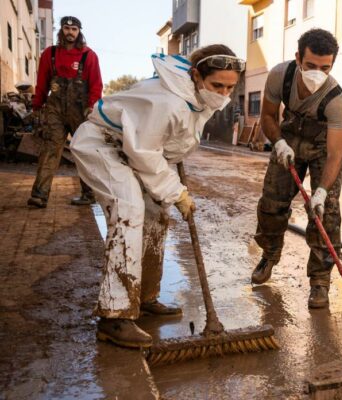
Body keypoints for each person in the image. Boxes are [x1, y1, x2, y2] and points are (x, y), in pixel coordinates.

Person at [70, 45, 244, 348]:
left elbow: (167, 145)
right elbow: (145, 153)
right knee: (129, 209)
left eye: (230, 87)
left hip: (132, 149)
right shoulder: (170, 100)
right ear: (196, 75)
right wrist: (177, 192)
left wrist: (171, 188)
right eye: (217, 85)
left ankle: (145, 297)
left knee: (156, 215)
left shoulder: (196, 98)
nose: (224, 93)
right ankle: (115, 316)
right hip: (103, 144)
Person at [250, 29, 342, 310]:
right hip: (289, 137)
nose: (317, 73)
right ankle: (270, 254)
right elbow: (268, 116)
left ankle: (320, 280)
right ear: (298, 58)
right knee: (271, 203)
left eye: (325, 68)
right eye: (311, 66)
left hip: (322, 146)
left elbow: (335, 153)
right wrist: (278, 143)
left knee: (325, 212)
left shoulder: (336, 100)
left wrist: (320, 191)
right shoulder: (280, 76)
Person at [28, 16, 102, 208]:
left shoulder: (89, 56)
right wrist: (37, 106)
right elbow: (42, 82)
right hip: (55, 110)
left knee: (83, 152)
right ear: (61, 31)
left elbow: (96, 85)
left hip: (81, 110)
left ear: (79, 32)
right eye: (67, 28)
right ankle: (39, 195)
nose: (70, 32)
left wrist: (91, 107)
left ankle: (88, 194)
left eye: (74, 29)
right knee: (50, 150)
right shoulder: (50, 54)